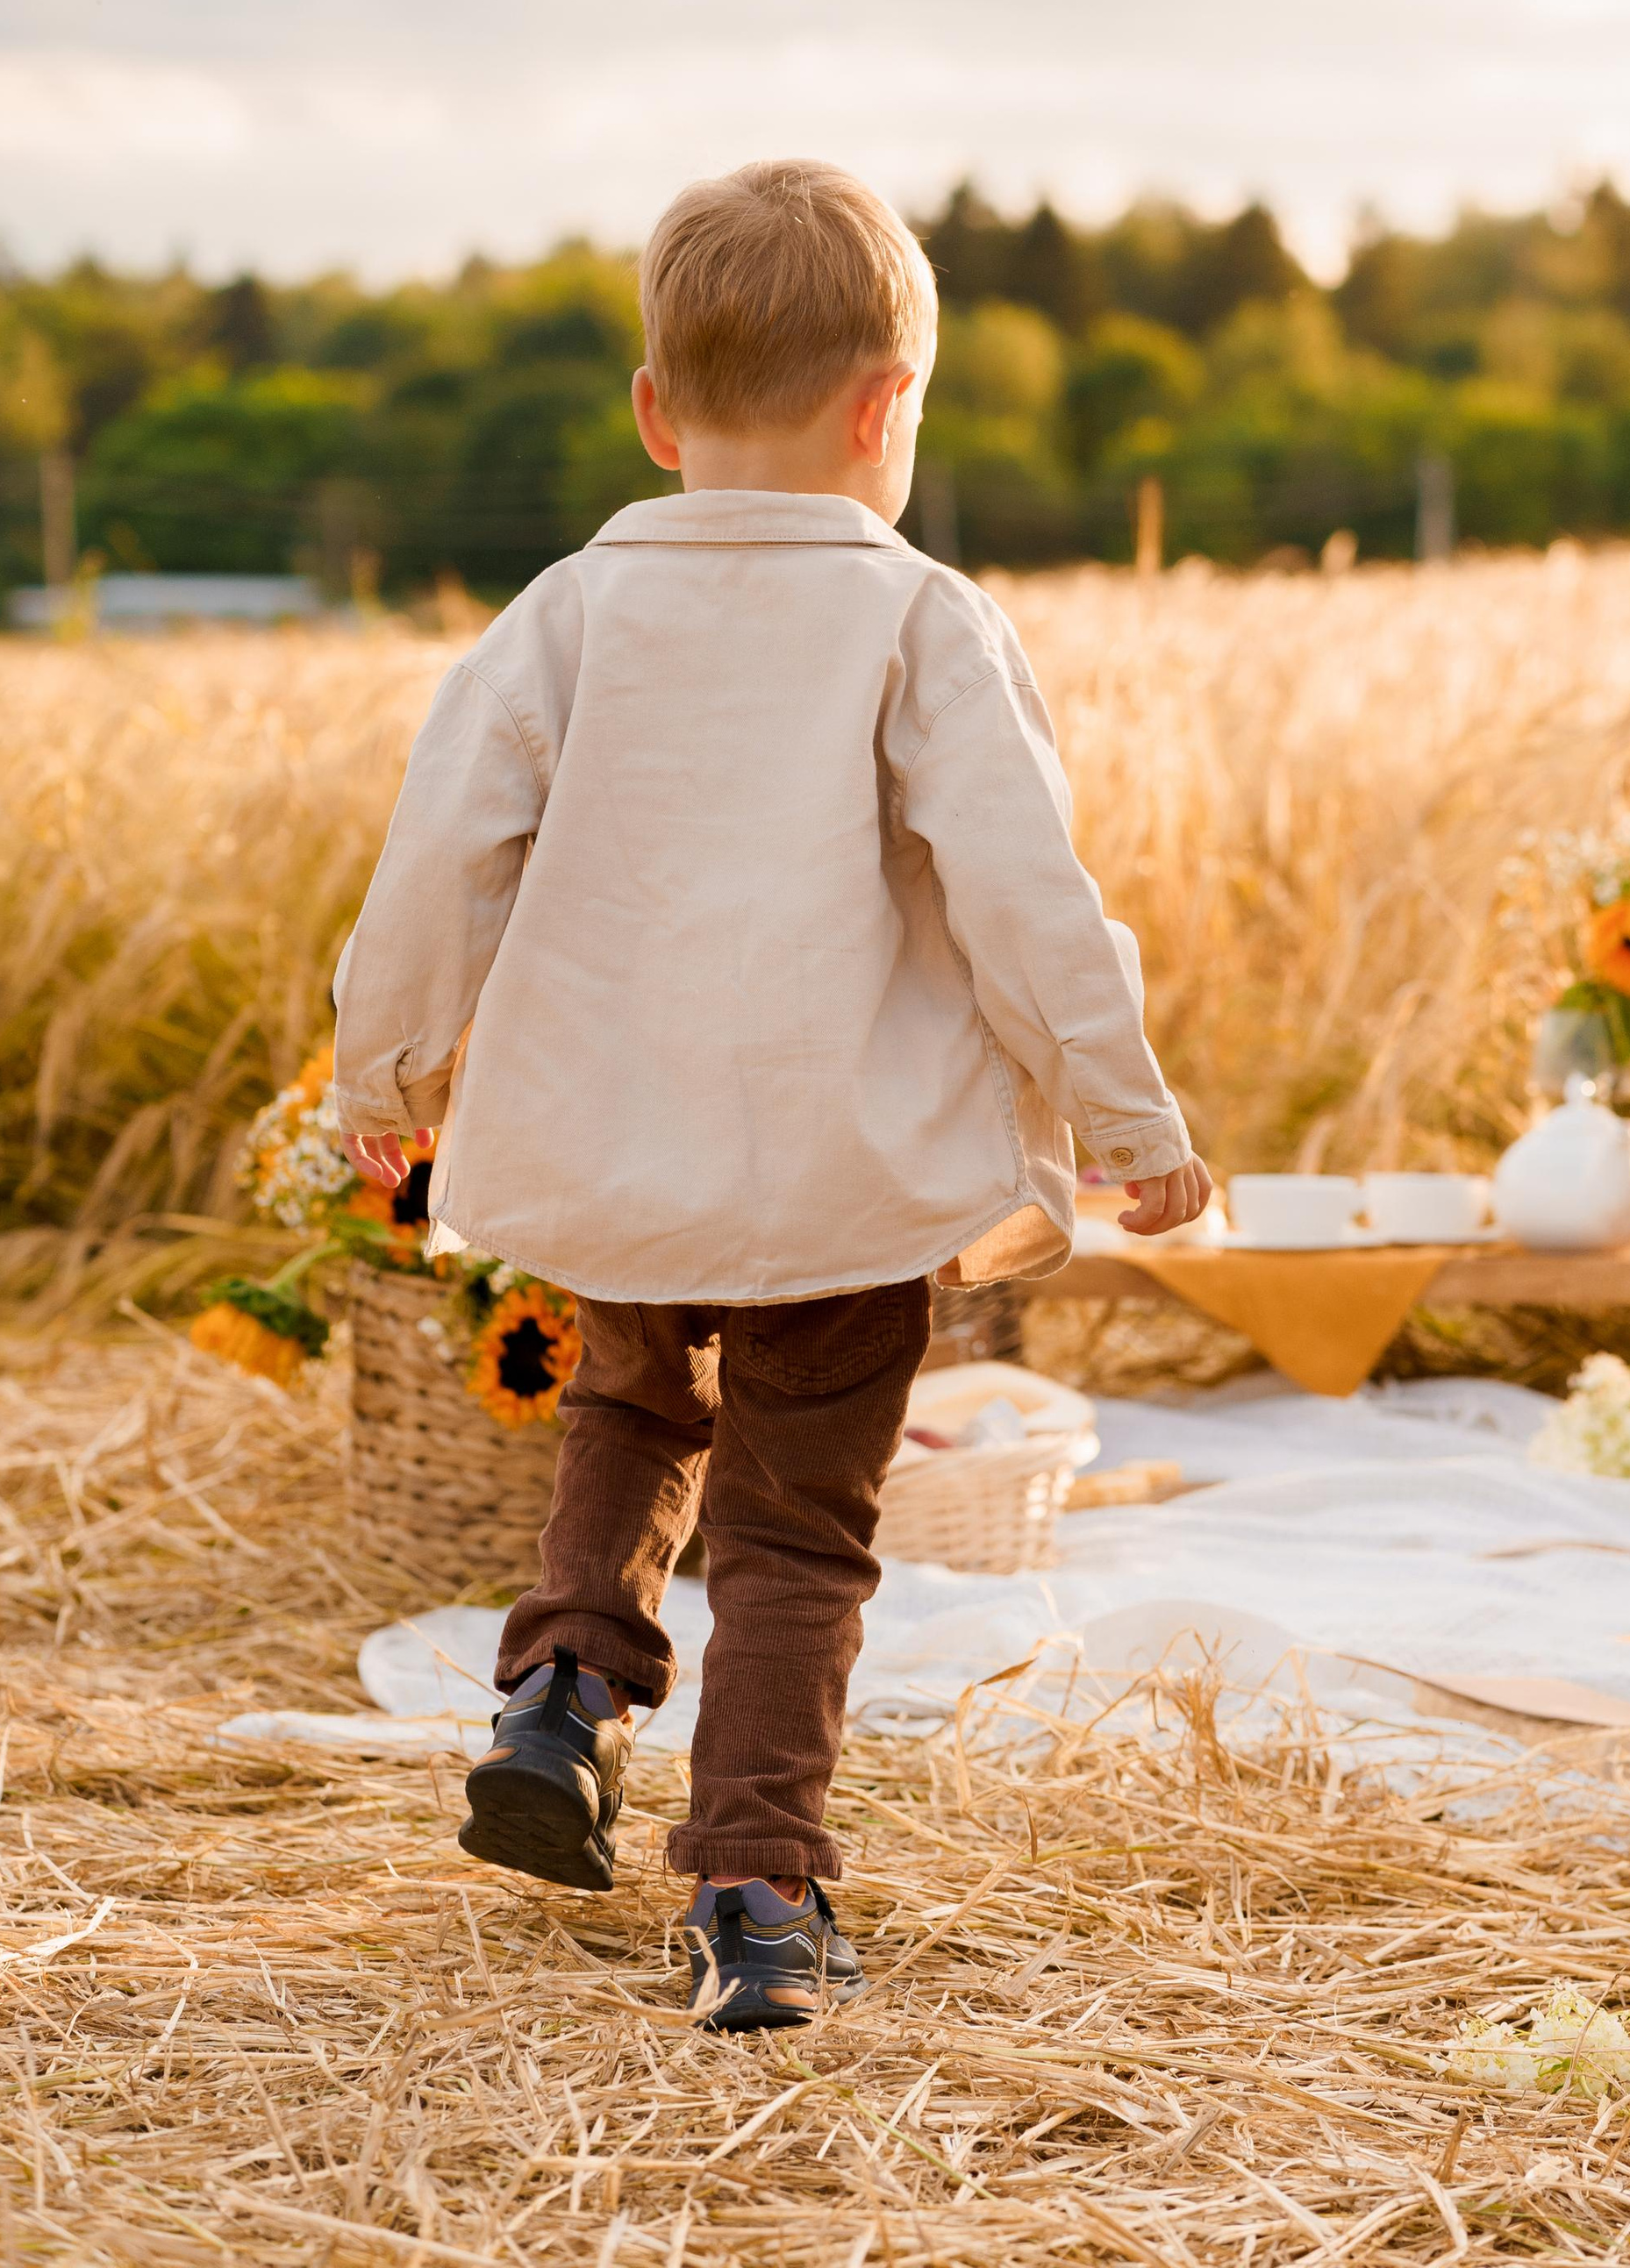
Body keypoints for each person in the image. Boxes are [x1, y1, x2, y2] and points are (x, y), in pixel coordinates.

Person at [332, 159, 1211, 2029]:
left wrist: (385, 1069)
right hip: (838, 1173)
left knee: (629, 1414)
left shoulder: (565, 613)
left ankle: (559, 1699)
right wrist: (1129, 1122)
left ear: (655, 414)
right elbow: (1024, 899)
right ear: (888, 410)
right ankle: (756, 1892)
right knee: (800, 1531)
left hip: (620, 1152)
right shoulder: (920, 618)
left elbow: (440, 852)